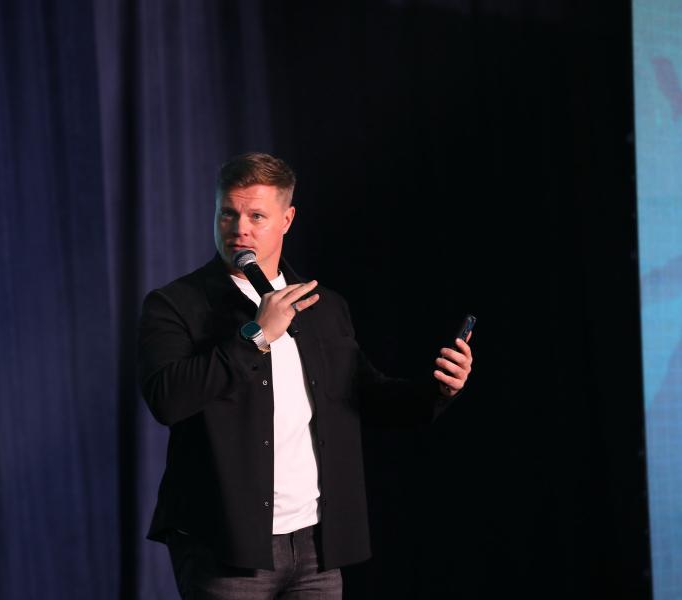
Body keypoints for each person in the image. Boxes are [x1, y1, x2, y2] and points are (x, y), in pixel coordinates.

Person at [137, 152, 473, 599]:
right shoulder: (174, 304)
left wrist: (438, 390)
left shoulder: (323, 306)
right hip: (225, 546)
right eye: (228, 213)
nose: (239, 228)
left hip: (316, 545)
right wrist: (257, 335)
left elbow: (366, 398)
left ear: (287, 220)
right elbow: (167, 399)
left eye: (257, 216)